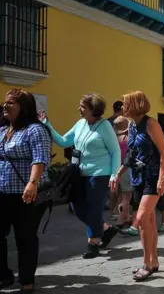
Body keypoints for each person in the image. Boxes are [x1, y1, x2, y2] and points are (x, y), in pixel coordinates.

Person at [41, 93, 121, 259]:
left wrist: (114, 175)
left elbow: (115, 150)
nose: (79, 109)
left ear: (94, 109)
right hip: (80, 173)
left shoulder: (105, 126)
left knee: (93, 208)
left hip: (100, 173)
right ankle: (106, 228)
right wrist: (47, 124)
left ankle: (93, 243)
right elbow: (64, 141)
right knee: (76, 207)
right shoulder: (80, 124)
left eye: (83, 106)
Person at [110, 91, 164, 281]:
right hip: (138, 177)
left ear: (134, 105)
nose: (122, 107)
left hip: (152, 177)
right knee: (148, 221)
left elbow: (163, 153)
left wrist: (161, 178)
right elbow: (131, 154)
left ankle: (147, 263)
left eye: (125, 104)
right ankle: (154, 260)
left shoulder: (151, 124)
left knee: (141, 218)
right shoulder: (132, 125)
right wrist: (118, 173)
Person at [0, 89, 51, 292]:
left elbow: (40, 158)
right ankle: (4, 275)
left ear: (24, 107)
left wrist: (32, 183)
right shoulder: (3, 131)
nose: (5, 105)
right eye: (5, 102)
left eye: (11, 102)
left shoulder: (35, 130)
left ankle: (26, 280)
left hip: (26, 194)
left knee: (25, 237)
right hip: (3, 192)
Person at [113, 116, 137, 236]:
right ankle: (121, 221)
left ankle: (125, 218)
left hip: (117, 167)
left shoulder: (114, 138)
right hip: (126, 168)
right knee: (127, 196)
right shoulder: (128, 138)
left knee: (122, 195)